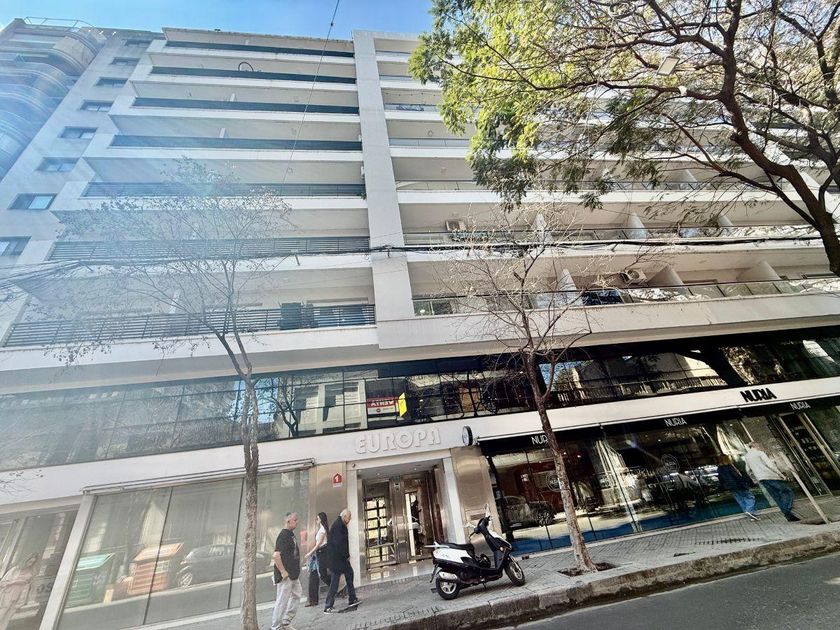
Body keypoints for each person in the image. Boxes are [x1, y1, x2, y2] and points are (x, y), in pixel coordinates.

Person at [744, 442, 800, 522]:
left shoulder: (747, 456)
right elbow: (770, 465)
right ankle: (787, 510)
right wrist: (781, 474)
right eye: (758, 446)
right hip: (770, 476)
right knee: (787, 491)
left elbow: (748, 470)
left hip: (761, 479)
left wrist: (754, 479)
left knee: (776, 496)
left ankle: (788, 515)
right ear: (755, 446)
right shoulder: (760, 453)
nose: (759, 447)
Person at [323, 508, 359, 613]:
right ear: (344, 516)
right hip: (337, 559)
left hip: (339, 558)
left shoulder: (340, 524)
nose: (350, 519)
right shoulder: (339, 526)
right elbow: (339, 544)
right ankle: (328, 605)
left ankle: (352, 598)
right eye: (349, 517)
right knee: (335, 582)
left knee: (349, 574)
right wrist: (345, 555)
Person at [271, 512, 302, 630]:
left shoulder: (291, 534)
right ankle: (276, 626)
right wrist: (283, 572)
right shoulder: (283, 535)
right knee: (282, 601)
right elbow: (276, 555)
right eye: (295, 520)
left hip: (293, 574)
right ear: (288, 521)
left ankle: (286, 620)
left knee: (297, 594)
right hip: (286, 575)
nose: (297, 522)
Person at [0, 553, 39, 630]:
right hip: (8, 594)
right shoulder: (15, 570)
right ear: (26, 560)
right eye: (30, 561)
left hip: (20, 596)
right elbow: (2, 583)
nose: (30, 564)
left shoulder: (31, 572)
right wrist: (15, 582)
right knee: (2, 613)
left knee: (7, 617)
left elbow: (31, 586)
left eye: (33, 562)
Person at [716, 454, 759, 521]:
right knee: (750, 497)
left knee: (740, 500)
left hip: (731, 487)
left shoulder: (719, 469)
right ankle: (750, 511)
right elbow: (737, 476)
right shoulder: (730, 466)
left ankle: (750, 515)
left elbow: (721, 479)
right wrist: (744, 483)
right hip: (738, 485)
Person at [303, 512, 329, 607]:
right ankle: (313, 599)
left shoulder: (322, 530)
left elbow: (319, 544)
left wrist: (310, 553)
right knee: (315, 574)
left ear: (321, 519)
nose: (316, 520)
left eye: (317, 519)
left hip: (321, 553)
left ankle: (336, 587)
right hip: (318, 553)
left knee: (322, 574)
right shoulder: (321, 529)